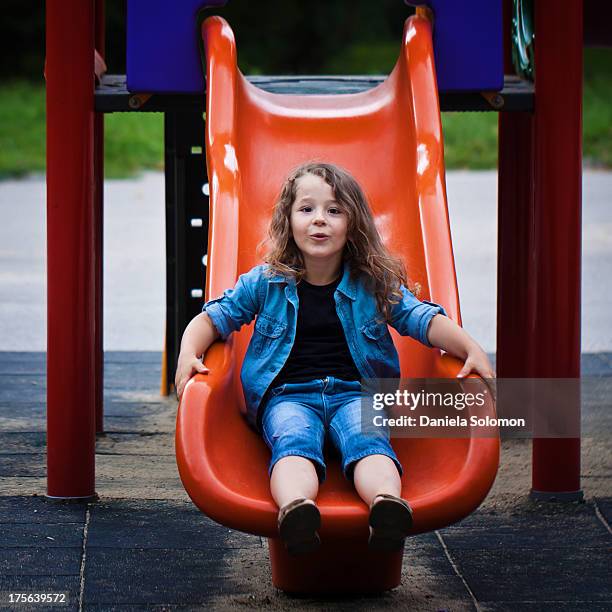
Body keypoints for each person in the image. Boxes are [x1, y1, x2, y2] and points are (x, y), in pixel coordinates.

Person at [175, 162, 494, 555]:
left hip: (355, 394)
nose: (319, 221)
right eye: (306, 209)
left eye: (334, 210)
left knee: (369, 440)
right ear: (288, 220)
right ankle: (297, 510)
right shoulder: (266, 281)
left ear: (353, 223)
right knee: (293, 440)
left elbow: (421, 319)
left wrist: (470, 348)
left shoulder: (372, 282)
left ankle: (386, 506)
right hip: (288, 396)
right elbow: (216, 316)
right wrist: (189, 351)